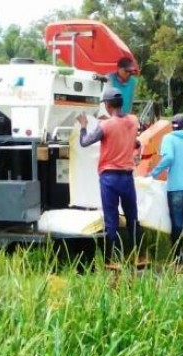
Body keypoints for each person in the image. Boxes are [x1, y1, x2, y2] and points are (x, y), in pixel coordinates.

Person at [76, 87, 146, 270]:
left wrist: (83, 126)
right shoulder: (133, 120)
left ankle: (112, 260)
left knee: (111, 219)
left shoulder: (106, 125)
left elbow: (84, 142)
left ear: (107, 105)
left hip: (109, 178)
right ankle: (139, 257)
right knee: (132, 217)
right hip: (127, 177)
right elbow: (133, 141)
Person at [150, 114, 183, 263]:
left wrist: (153, 173)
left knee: (177, 221)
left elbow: (169, 158)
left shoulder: (168, 139)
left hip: (176, 188)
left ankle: (178, 255)